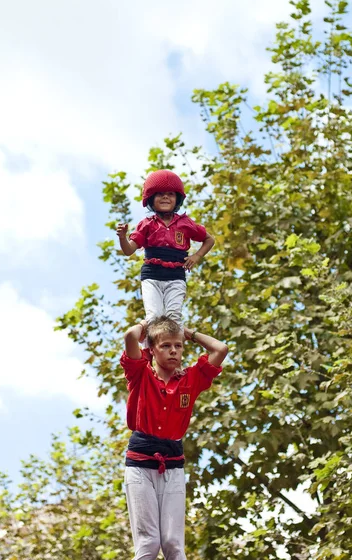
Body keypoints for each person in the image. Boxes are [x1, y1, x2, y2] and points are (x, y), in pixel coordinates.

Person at [121, 315, 228, 560]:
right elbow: (129, 337)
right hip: (140, 463)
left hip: (173, 462)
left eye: (178, 346)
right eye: (165, 346)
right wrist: (146, 326)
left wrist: (186, 332)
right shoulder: (140, 375)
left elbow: (220, 349)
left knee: (173, 544)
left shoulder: (191, 379)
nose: (173, 351)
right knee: (149, 543)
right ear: (152, 350)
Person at [116, 169, 215, 327]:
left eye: (170, 194)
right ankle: (150, 349)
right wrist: (122, 237)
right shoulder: (147, 224)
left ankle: (173, 349)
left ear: (177, 199)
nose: (165, 197)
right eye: (160, 194)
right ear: (151, 198)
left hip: (175, 275)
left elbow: (209, 239)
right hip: (152, 276)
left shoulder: (185, 223)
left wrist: (197, 256)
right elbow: (129, 251)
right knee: (154, 316)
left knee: (173, 316)